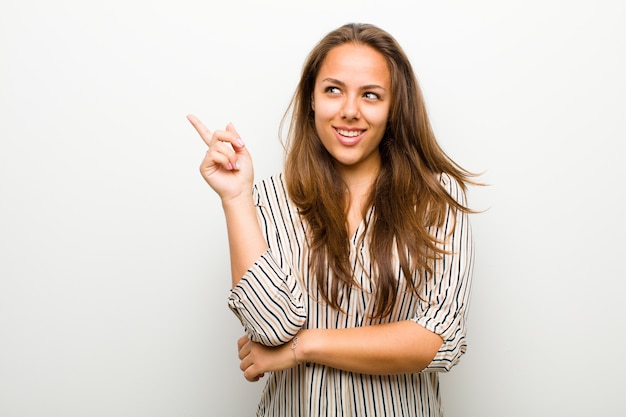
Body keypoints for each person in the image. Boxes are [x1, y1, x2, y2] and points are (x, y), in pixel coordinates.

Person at [188, 22, 478, 417]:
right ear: (311, 98)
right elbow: (271, 329)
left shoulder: (435, 199)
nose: (349, 111)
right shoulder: (269, 200)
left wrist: (302, 347)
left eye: (371, 95)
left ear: (393, 107)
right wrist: (237, 198)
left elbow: (437, 338)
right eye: (333, 90)